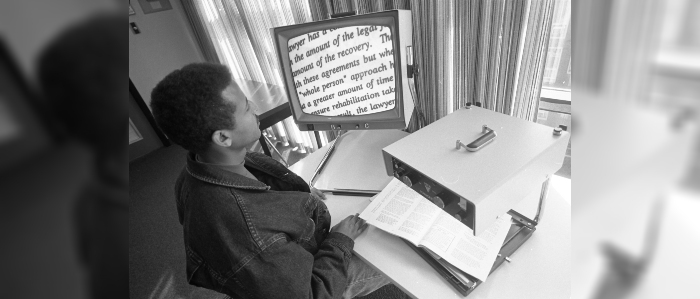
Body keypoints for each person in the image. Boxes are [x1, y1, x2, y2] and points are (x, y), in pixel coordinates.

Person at [150, 62, 391, 299]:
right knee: (395, 260)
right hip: (308, 279)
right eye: (246, 108)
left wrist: (299, 196)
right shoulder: (249, 231)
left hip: (276, 267)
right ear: (223, 137)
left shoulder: (199, 168)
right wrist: (340, 241)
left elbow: (267, 196)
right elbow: (312, 293)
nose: (255, 107)